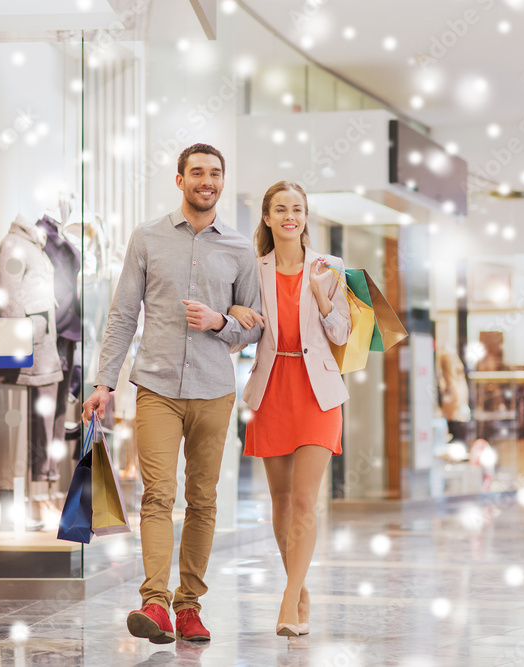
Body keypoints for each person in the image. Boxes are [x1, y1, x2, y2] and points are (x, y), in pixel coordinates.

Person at [82, 144, 262, 644]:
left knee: (203, 500)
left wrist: (221, 321)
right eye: (198, 172)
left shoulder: (240, 248)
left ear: (222, 182)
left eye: (216, 174)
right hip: (156, 386)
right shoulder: (147, 238)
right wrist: (104, 383)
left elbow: (255, 326)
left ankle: (190, 607)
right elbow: (122, 315)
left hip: (213, 390)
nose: (207, 181)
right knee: (158, 495)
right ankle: (155, 604)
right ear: (180, 180)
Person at [230, 180, 351, 637]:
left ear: (305, 216)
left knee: (304, 499)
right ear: (266, 217)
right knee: (279, 502)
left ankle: (287, 598)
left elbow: (341, 334)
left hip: (318, 391)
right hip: (272, 386)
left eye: (297, 209)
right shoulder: (252, 267)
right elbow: (244, 326)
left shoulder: (329, 266)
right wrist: (234, 314)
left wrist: (322, 296)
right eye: (280, 209)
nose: (289, 217)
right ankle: (298, 591)